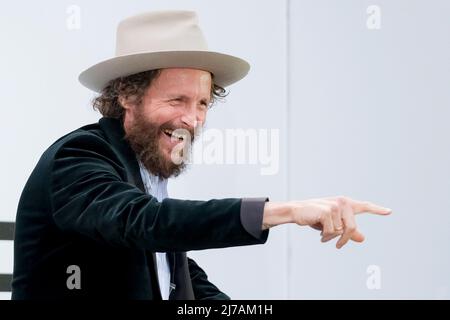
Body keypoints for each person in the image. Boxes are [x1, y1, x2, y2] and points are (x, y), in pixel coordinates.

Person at [12, 10, 391, 300]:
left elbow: (171, 271)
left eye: (203, 104)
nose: (191, 119)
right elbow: (145, 222)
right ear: (127, 95)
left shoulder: (145, 170)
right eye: (177, 99)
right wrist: (285, 212)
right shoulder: (78, 157)